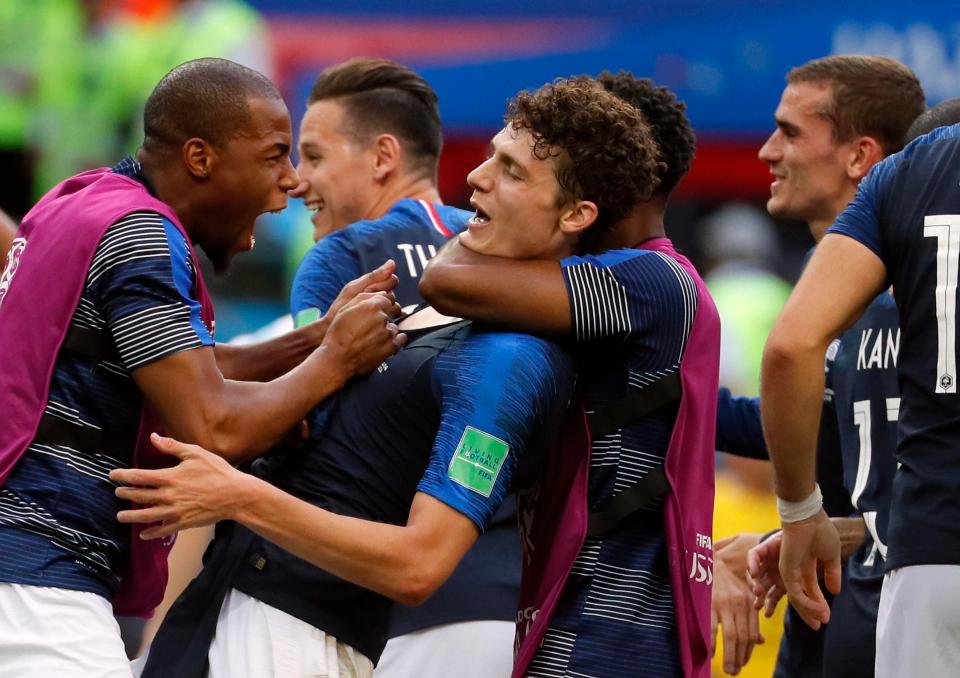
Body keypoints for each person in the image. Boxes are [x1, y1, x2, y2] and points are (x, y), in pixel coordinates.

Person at [111, 76, 661, 678]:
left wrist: (240, 496)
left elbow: (419, 565)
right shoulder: (444, 305)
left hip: (298, 640)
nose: (476, 177)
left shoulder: (515, 360)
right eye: (488, 157)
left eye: (511, 170)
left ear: (577, 214)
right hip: (231, 603)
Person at [0, 58, 403, 678]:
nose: (289, 183)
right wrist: (335, 359)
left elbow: (183, 367)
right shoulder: (141, 234)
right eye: (274, 156)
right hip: (33, 578)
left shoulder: (79, 202)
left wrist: (315, 340)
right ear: (199, 157)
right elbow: (210, 426)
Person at [420, 69, 720, 678]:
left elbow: (446, 281)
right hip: (575, 628)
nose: (478, 178)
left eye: (516, 168)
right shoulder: (640, 287)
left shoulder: (650, 281)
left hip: (607, 645)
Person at [287, 57, 516, 678]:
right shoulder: (512, 253)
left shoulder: (343, 258)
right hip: (529, 602)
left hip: (409, 610)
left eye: (312, 156)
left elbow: (306, 422)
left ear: (383, 155)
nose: (295, 180)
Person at [711, 55, 925, 678]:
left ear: (860, 157)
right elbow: (831, 430)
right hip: (824, 616)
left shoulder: (912, 297)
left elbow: (921, 476)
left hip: (889, 626)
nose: (766, 151)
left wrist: (807, 522)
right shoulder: (826, 282)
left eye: (791, 132)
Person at [758, 75, 960, 678]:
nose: (769, 150)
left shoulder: (917, 166)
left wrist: (800, 514)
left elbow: (792, 346)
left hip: (935, 551)